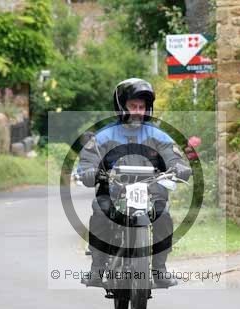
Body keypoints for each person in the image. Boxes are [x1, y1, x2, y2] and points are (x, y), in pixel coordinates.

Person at [78, 78, 192, 288]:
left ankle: (159, 269)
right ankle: (97, 268)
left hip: (151, 191)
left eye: (142, 106)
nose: (138, 111)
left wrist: (179, 166)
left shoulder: (158, 135)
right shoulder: (104, 135)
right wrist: (88, 171)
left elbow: (172, 156)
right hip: (114, 190)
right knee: (100, 211)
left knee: (163, 214)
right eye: (133, 106)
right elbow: (89, 159)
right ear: (121, 106)